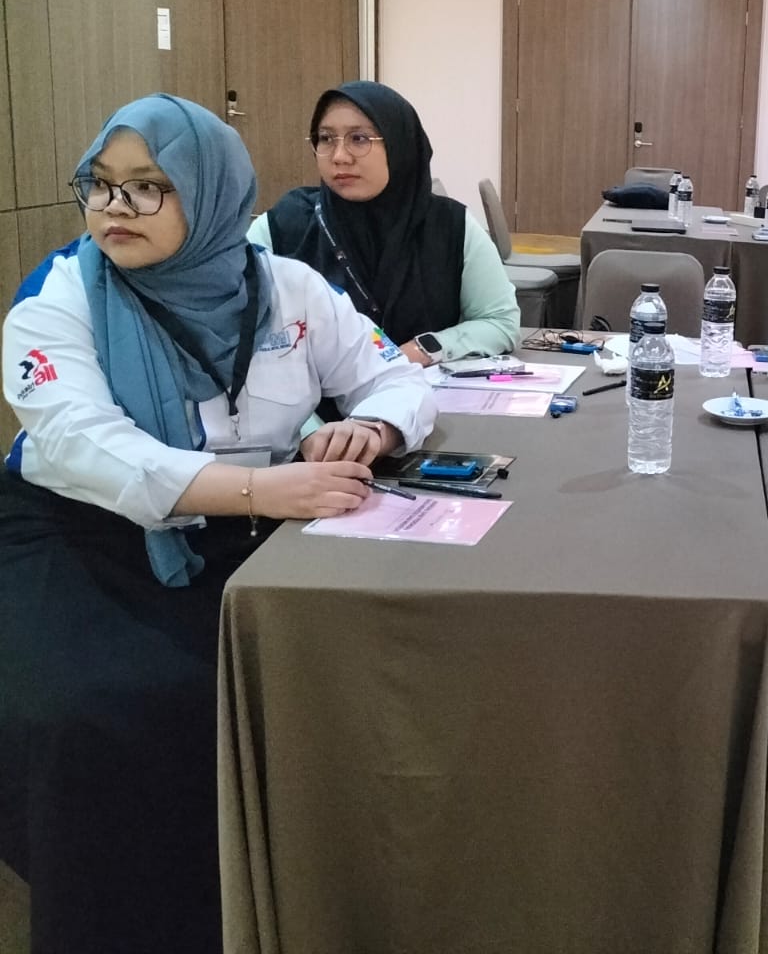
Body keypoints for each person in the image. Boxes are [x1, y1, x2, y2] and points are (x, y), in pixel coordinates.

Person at [0, 95, 437, 953]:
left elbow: (397, 376)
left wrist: (373, 427)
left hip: (242, 531)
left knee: (334, 676)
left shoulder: (288, 288)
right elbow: (86, 445)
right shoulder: (60, 297)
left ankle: (303, 908)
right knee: (92, 713)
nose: (115, 208)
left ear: (213, 195)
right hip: (76, 531)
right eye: (100, 184)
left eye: (148, 186)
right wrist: (260, 490)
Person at [249, 80, 518, 366]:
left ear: (399, 144)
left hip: (420, 389)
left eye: (358, 139)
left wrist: (416, 352)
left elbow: (500, 322)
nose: (339, 157)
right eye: (326, 138)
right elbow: (235, 320)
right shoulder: (283, 226)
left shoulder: (451, 227)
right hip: (309, 393)